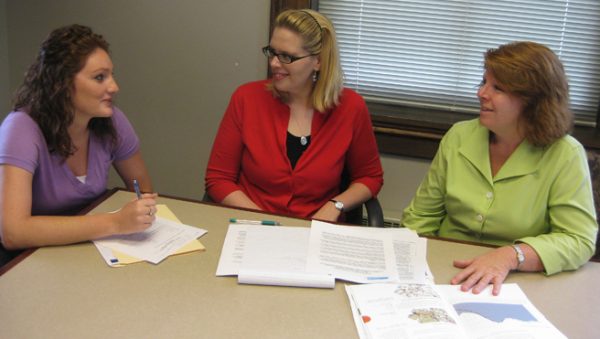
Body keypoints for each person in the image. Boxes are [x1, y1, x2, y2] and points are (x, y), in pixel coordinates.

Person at [402, 41, 598, 295]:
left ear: (534, 101)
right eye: (483, 82)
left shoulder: (565, 154)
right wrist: (413, 268)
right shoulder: (459, 136)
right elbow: (420, 218)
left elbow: (578, 240)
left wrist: (510, 255)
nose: (481, 93)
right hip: (446, 269)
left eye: (498, 88)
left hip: (520, 281)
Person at [205, 9, 383, 221]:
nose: (274, 63)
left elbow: (370, 177)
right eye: (272, 52)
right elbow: (218, 178)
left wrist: (335, 205)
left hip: (315, 232)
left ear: (317, 61)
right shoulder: (246, 98)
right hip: (252, 226)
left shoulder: (351, 107)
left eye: (286, 56)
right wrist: (261, 220)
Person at [0, 24, 157, 254]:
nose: (114, 87)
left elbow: (143, 190)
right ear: (60, 84)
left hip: (88, 249)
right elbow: (13, 233)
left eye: (112, 75)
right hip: (29, 258)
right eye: (99, 77)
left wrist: (142, 212)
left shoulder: (112, 120)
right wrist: (115, 222)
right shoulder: (20, 129)